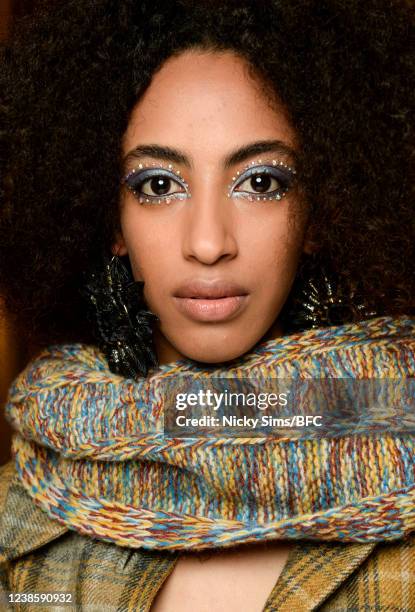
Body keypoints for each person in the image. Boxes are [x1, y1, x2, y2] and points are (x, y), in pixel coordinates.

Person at [0, 0, 414, 610]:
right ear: (108, 216)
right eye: (158, 185)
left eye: (262, 182)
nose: (209, 243)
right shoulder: (21, 531)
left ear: (321, 209)